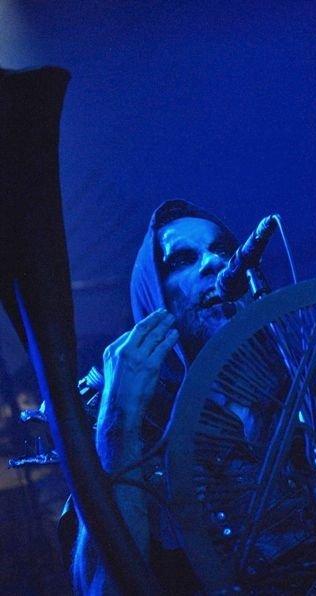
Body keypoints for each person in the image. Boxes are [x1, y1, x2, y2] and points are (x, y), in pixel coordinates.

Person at [72, 199, 248, 594]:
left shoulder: (308, 388)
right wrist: (119, 419)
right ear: (153, 299)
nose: (214, 263)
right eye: (183, 260)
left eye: (222, 250)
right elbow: (106, 589)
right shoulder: (133, 428)